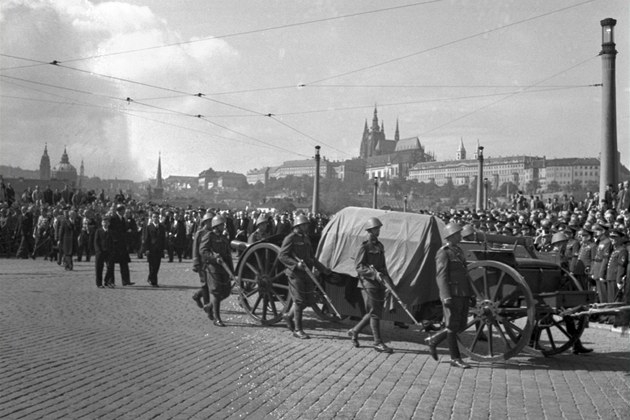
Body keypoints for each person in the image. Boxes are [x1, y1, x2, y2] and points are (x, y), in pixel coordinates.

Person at [425, 222, 474, 369]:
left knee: (462, 324)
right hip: (452, 294)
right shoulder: (444, 252)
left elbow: (465, 274)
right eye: (458, 234)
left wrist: (470, 294)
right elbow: (441, 276)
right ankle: (455, 358)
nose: (461, 236)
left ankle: (433, 339)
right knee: (452, 326)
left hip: (463, 293)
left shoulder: (458, 251)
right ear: (451, 236)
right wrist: (445, 296)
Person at [278, 214, 331, 339]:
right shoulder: (290, 238)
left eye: (306, 225)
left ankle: (288, 316)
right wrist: (296, 265)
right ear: (298, 226)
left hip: (306, 273)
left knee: (308, 301)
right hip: (295, 274)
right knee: (299, 300)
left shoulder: (306, 238)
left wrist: (323, 269)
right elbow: (282, 256)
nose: (307, 226)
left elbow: (311, 258)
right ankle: (298, 329)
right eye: (304, 225)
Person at [347, 217, 394, 353]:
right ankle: (378, 342)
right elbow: (359, 267)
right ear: (370, 230)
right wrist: (374, 274)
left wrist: (388, 282)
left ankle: (354, 331)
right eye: (376, 229)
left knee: (375, 312)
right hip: (367, 284)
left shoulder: (380, 246)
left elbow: (383, 266)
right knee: (374, 314)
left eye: (378, 228)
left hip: (379, 283)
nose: (378, 230)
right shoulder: (364, 246)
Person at [199, 215, 234, 326]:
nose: (224, 226)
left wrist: (232, 272)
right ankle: (217, 318)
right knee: (217, 293)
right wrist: (214, 257)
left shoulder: (224, 238)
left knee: (227, 292)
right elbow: (203, 251)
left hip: (224, 268)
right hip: (213, 268)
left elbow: (228, 255)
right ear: (216, 226)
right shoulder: (209, 236)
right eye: (222, 225)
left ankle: (209, 307)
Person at [192, 211, 214, 315]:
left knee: (210, 284)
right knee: (205, 284)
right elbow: (195, 248)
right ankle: (207, 305)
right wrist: (195, 262)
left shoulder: (213, 233)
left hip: (211, 262)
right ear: (205, 222)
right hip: (201, 262)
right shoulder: (199, 233)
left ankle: (197, 295)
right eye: (210, 221)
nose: (211, 223)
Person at [108, 204, 134, 286]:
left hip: (122, 244)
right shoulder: (113, 219)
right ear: (119, 211)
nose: (123, 212)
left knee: (124, 263)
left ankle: (126, 280)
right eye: (122, 210)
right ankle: (110, 281)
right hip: (115, 244)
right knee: (111, 264)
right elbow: (111, 231)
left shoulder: (123, 219)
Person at [143, 211, 166, 287]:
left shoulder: (162, 227)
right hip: (151, 249)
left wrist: (165, 248)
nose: (155, 218)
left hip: (159, 249)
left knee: (157, 266)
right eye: (154, 217)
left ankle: (150, 277)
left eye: (156, 217)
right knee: (152, 265)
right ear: (152, 218)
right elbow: (146, 239)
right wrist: (146, 249)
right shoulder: (149, 227)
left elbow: (163, 239)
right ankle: (154, 282)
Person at [94, 217, 113, 288]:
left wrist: (112, 250)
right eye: (104, 222)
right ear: (102, 223)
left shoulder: (110, 231)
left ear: (109, 223)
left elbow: (112, 242)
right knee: (99, 268)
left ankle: (107, 281)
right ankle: (99, 283)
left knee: (110, 267)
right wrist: (98, 250)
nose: (105, 224)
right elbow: (96, 242)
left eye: (106, 222)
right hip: (100, 252)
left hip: (108, 252)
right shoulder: (98, 231)